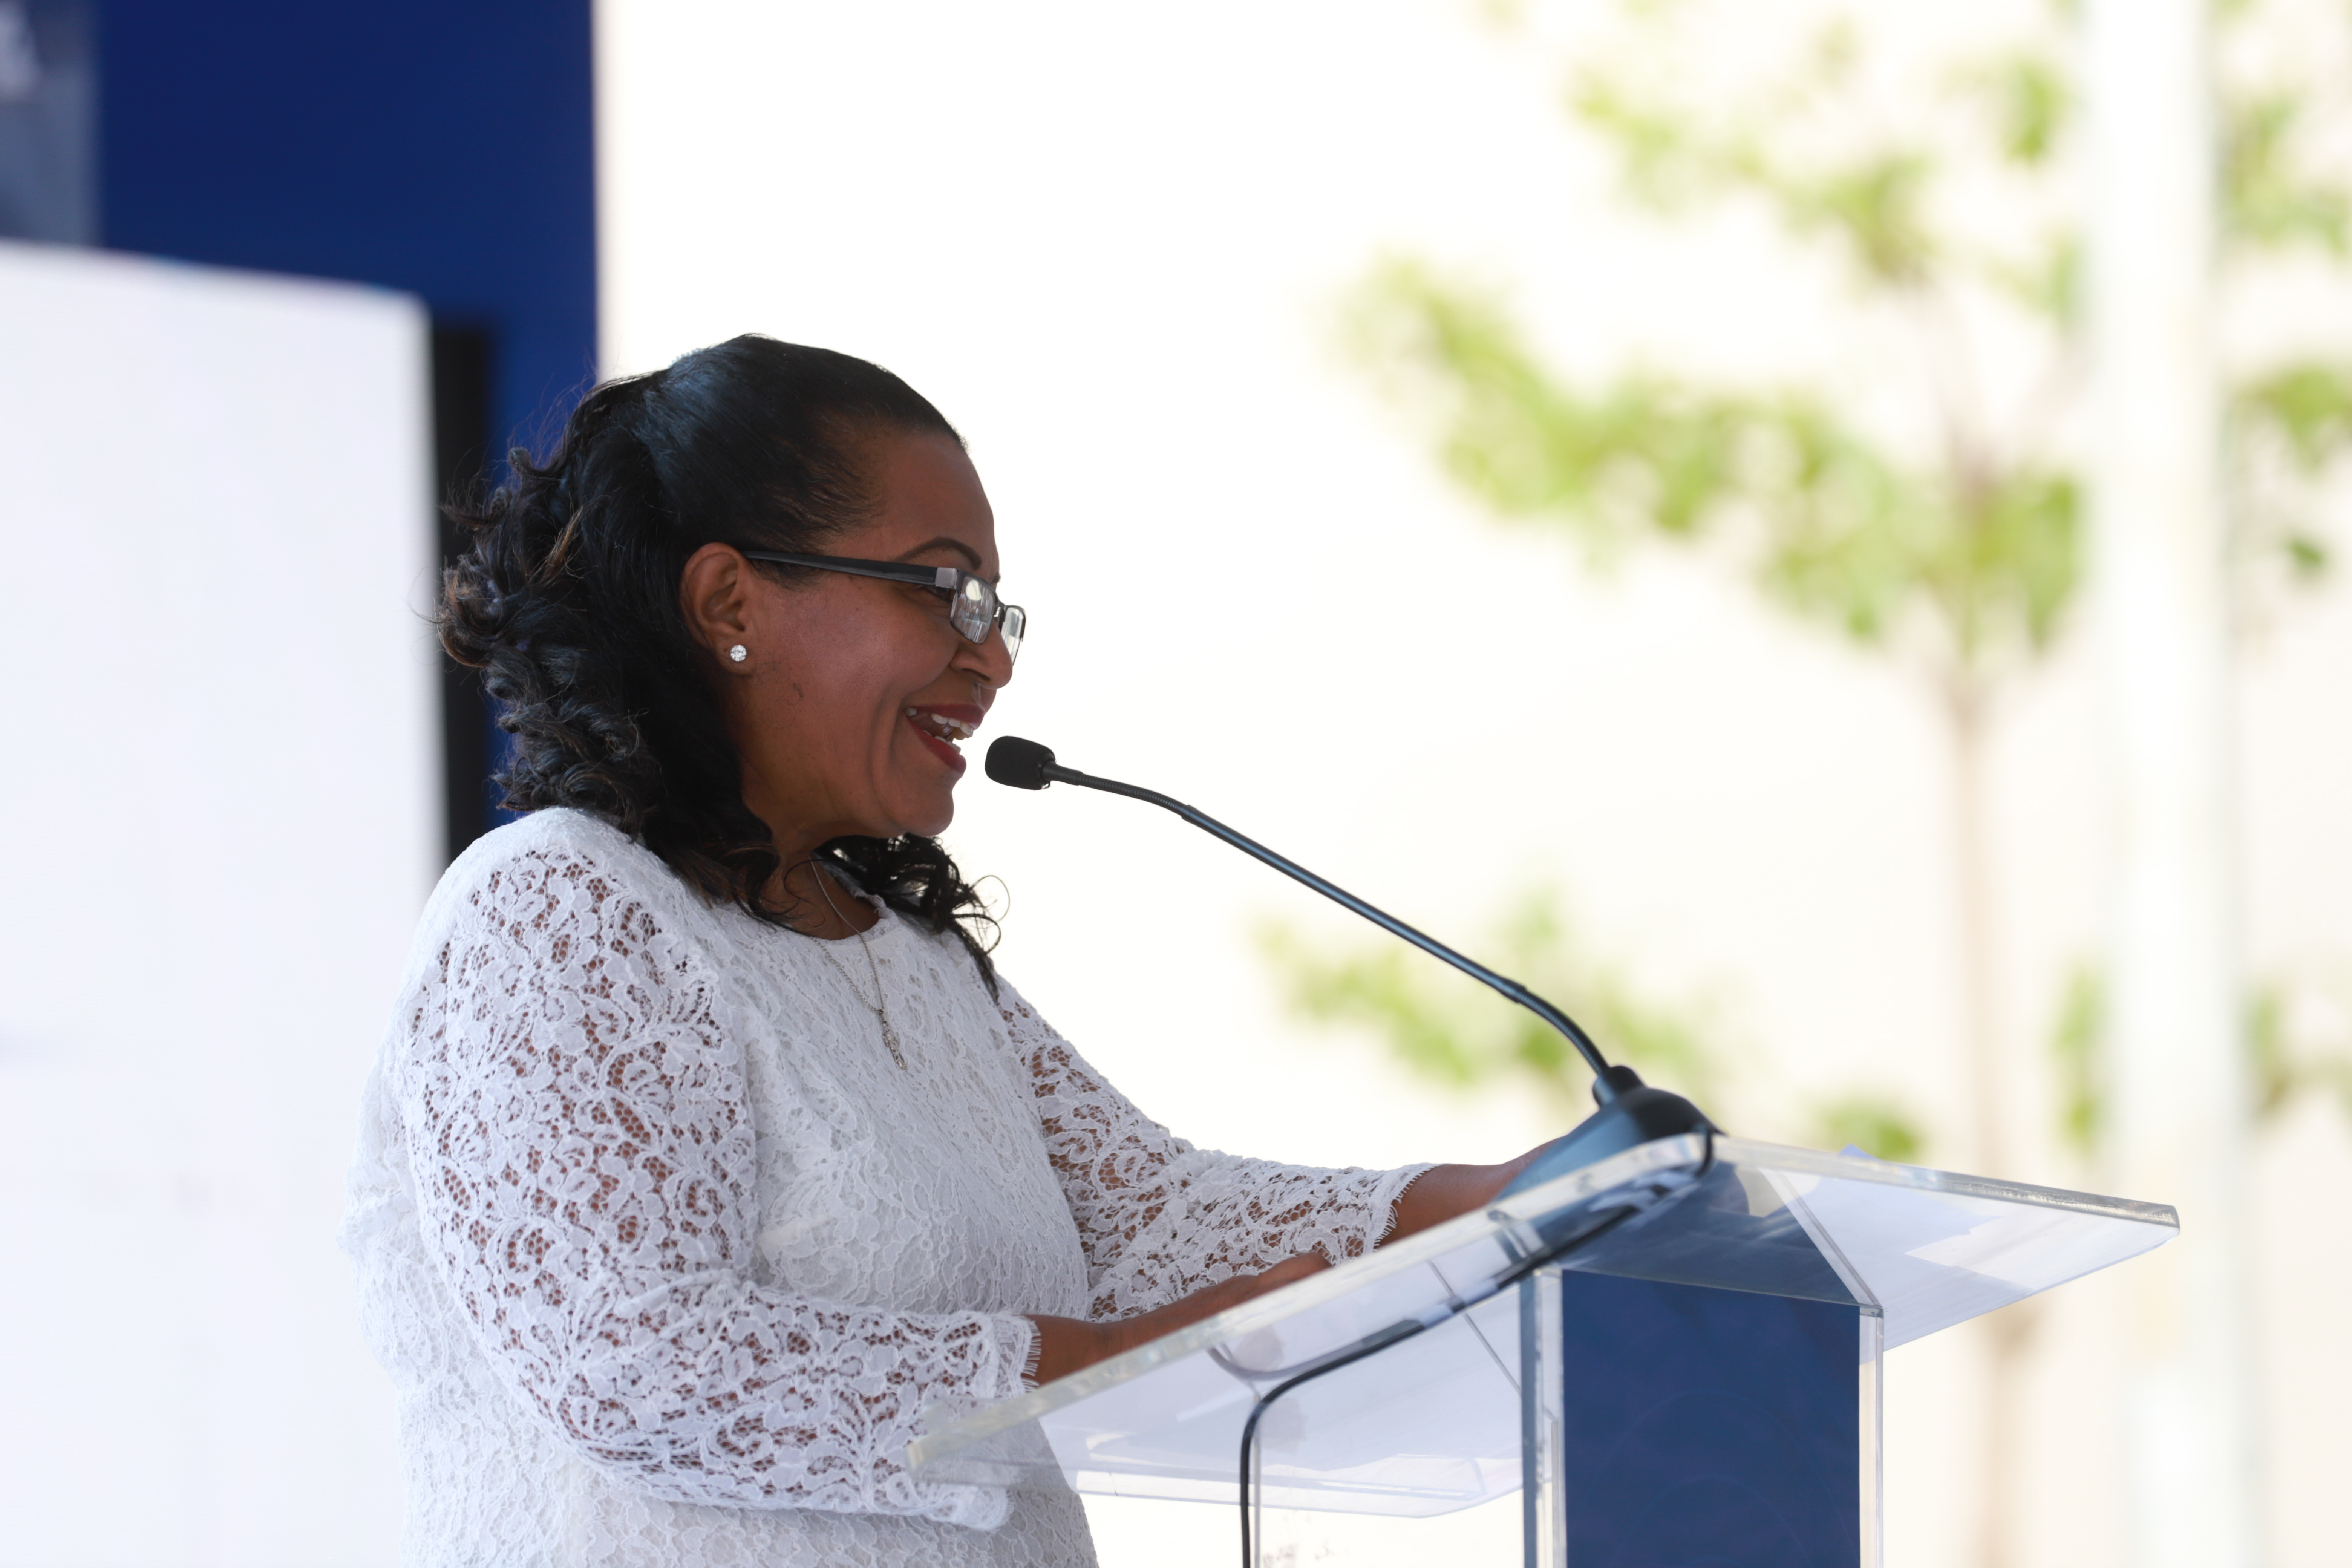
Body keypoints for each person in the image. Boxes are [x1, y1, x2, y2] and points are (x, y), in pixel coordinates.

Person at [340, 336, 1545, 1568]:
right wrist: (1108, 1364)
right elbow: (635, 1363)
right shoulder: (558, 907)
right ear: (730, 604)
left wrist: (1522, 1198)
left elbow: (1147, 1229)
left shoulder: (906, 949)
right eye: (943, 590)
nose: (995, 658)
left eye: (995, 607)